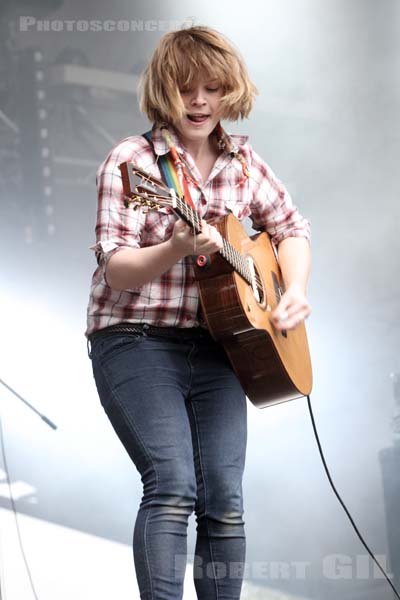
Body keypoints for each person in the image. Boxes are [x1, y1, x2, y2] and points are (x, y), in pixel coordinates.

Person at [86, 25, 311, 600]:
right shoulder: (134, 162)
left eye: (213, 89)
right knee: (172, 485)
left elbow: (291, 229)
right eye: (187, 89)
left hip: (220, 346)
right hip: (135, 340)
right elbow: (116, 267)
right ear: (165, 90)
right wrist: (178, 248)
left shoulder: (245, 160)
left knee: (226, 502)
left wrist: (292, 290)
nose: (200, 102)